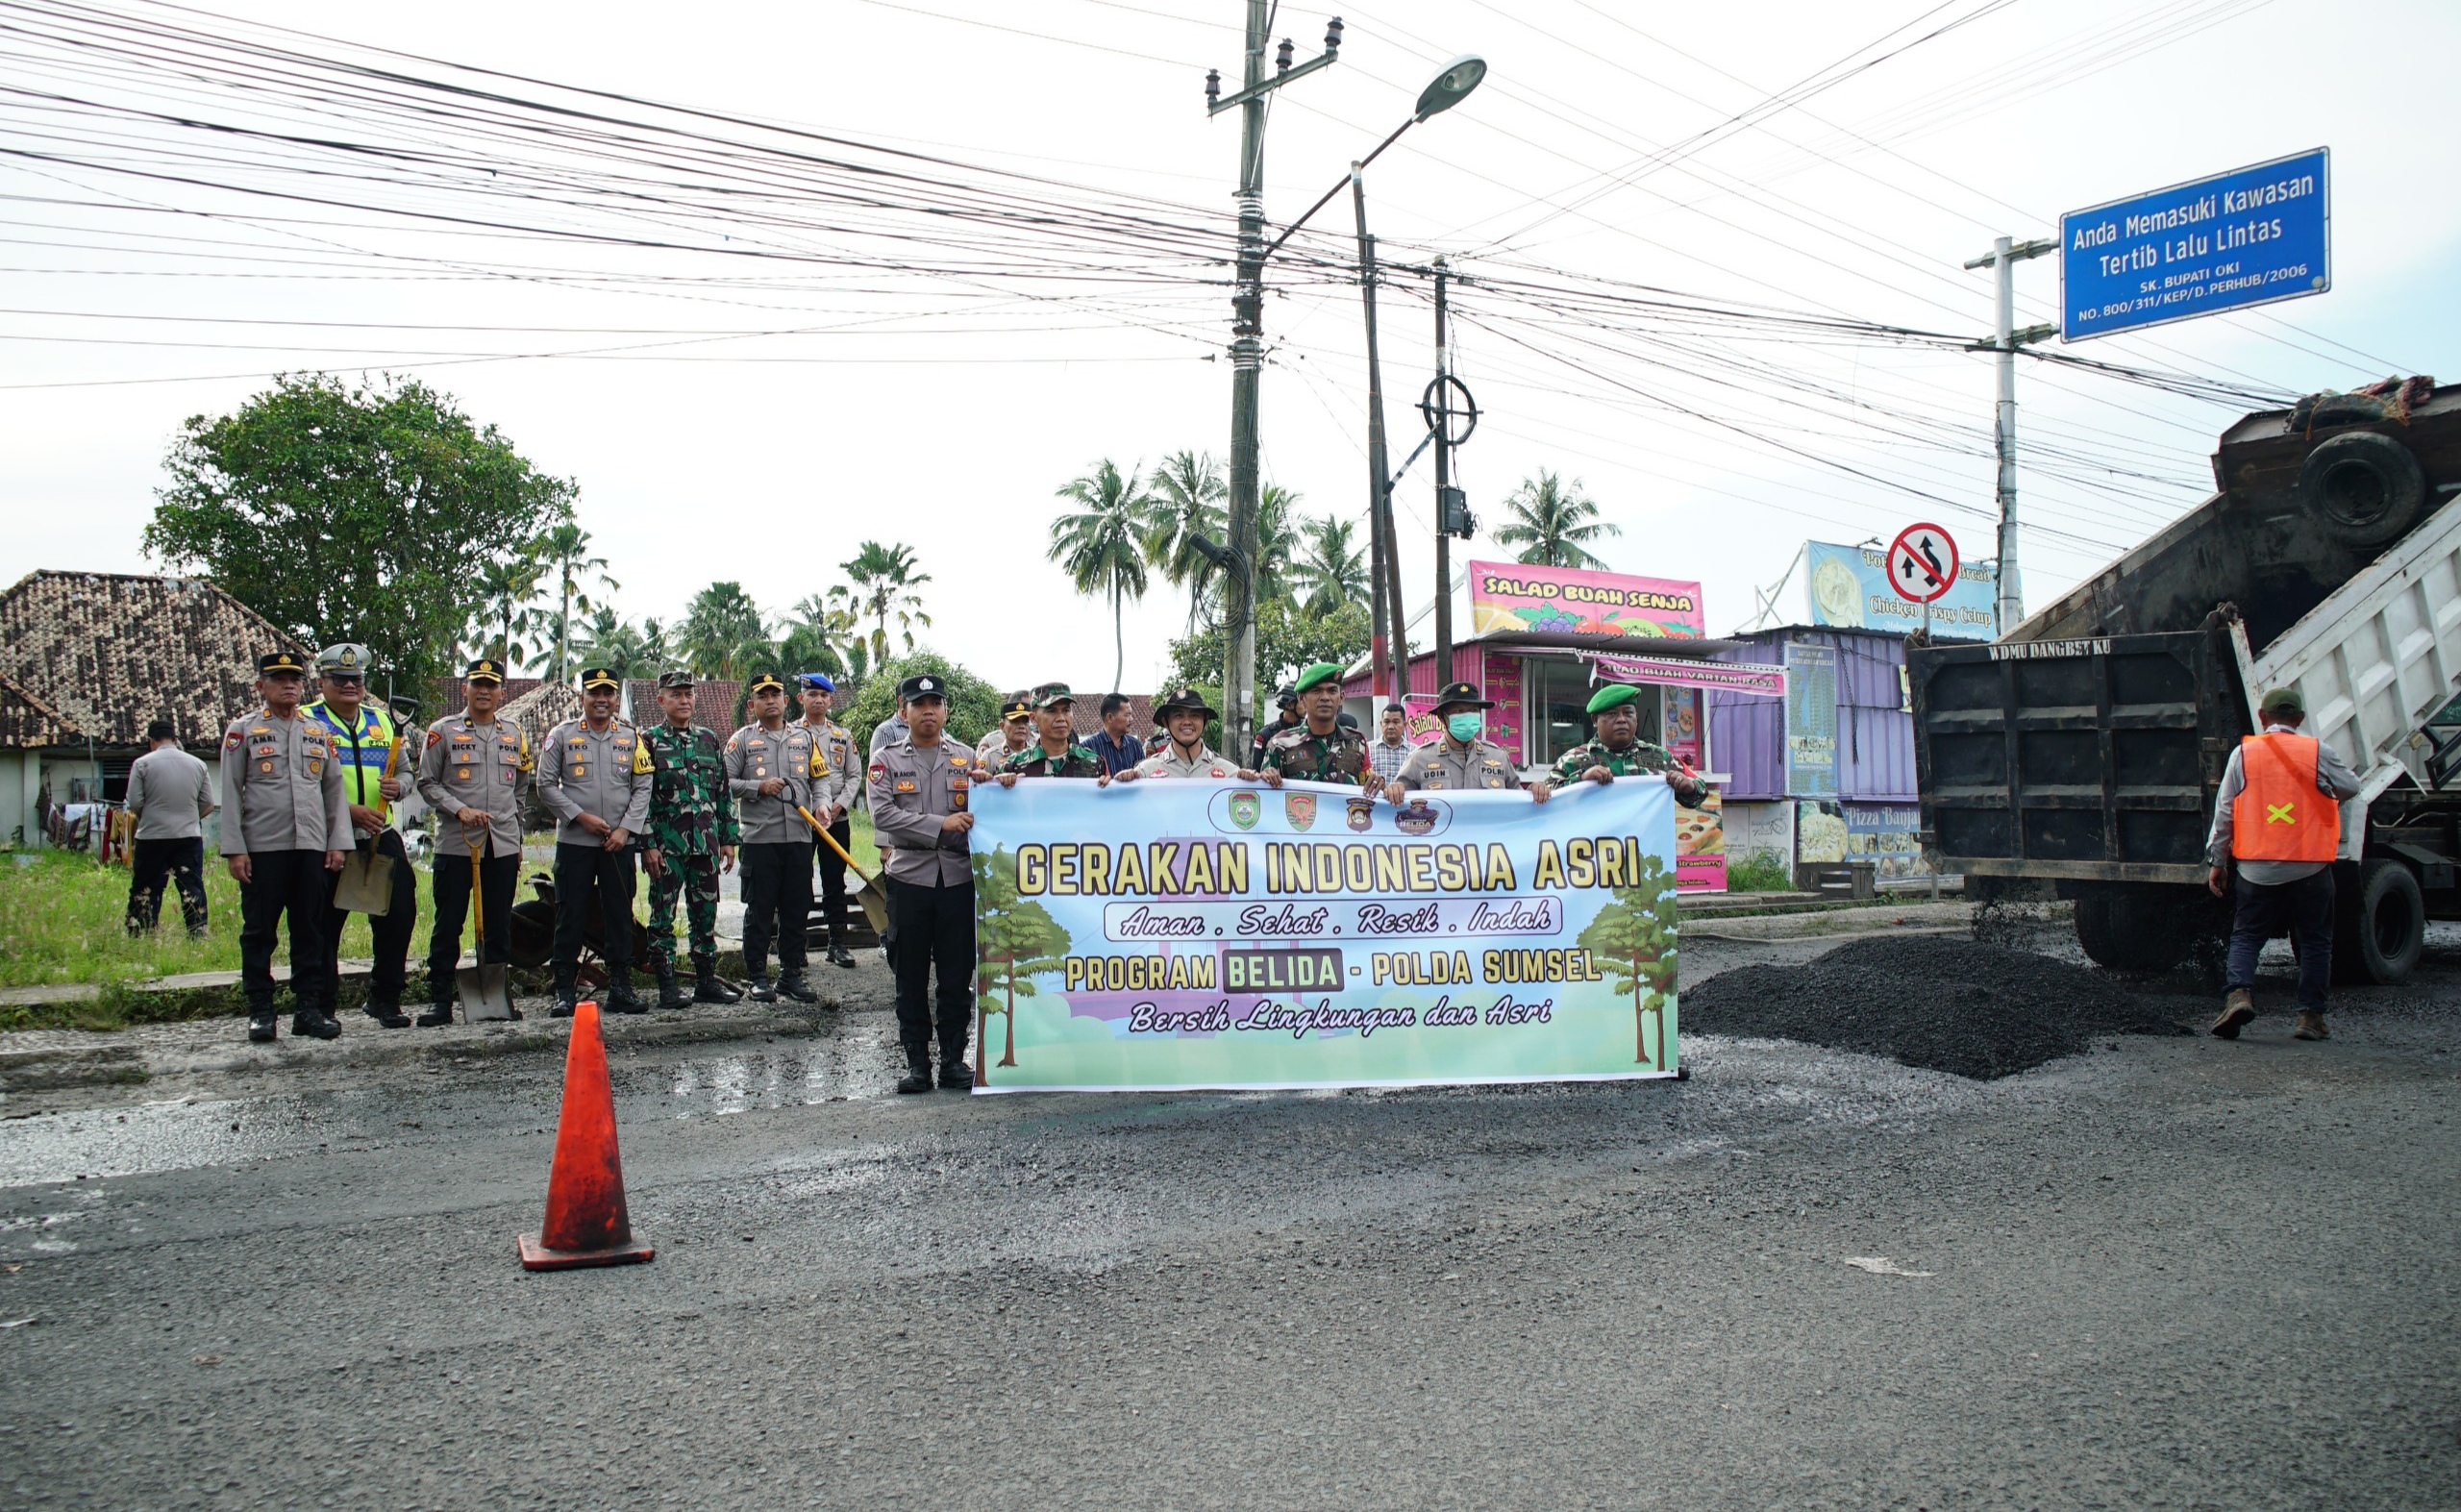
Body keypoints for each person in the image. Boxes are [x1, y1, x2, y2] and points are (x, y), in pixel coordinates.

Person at [2206, 686, 2364, 1043]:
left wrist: (2218, 861)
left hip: (2257, 868)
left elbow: (2225, 812)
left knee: (2246, 935)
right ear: (2300, 719)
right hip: (2310, 866)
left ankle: (2238, 995)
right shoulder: (2317, 752)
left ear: (2262, 718)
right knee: (2315, 941)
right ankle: (2310, 1017)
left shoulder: (2243, 755)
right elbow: (2351, 786)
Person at [217, 651, 350, 1043]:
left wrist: (337, 843)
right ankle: (261, 1010)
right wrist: (235, 849)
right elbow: (231, 791)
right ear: (261, 686)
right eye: (278, 678)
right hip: (263, 847)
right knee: (259, 931)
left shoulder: (317, 733)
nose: (289, 685)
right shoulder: (243, 731)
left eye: (294, 678)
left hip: (311, 845)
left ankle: (308, 1008)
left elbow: (333, 791)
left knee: (310, 928)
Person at [867, 673, 976, 1094]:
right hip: (909, 880)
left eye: (936, 703)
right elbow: (884, 817)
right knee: (909, 976)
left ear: (946, 710)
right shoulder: (886, 760)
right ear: (904, 711)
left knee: (955, 974)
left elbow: (990, 813)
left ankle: (952, 1060)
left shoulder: (969, 760)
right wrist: (940, 824)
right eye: (919, 704)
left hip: (958, 881)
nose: (928, 710)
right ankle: (917, 1064)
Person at [303, 643, 419, 1028]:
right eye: (340, 679)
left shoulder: (383, 722)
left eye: (356, 679)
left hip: (379, 833)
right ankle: (320, 1005)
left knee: (399, 913)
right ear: (323, 682)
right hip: (328, 837)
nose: (349, 686)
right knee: (323, 923)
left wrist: (399, 789)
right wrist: (346, 811)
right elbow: (299, 786)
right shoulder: (306, 722)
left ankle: (384, 998)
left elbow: (405, 772)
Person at [414, 657, 532, 1027]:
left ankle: (497, 997)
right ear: (465, 688)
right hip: (456, 844)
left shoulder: (514, 733)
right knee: (448, 923)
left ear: (502, 692)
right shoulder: (443, 731)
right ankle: (439, 1001)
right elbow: (427, 783)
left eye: (491, 685)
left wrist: (517, 831)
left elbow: (522, 786)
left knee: (499, 923)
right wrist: (458, 809)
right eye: (477, 684)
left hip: (501, 845)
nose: (484, 691)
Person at [537, 667, 653, 1016]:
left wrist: (625, 830)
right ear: (583, 696)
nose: (601, 700)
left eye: (608, 693)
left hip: (618, 844)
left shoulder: (632, 738)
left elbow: (643, 786)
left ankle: (620, 987)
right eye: (594, 693)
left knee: (619, 915)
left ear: (616, 698)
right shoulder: (562, 735)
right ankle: (564, 990)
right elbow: (545, 785)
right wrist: (580, 817)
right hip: (576, 843)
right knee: (570, 914)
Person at [640, 669, 740, 1008]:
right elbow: (642, 798)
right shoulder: (649, 742)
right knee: (662, 916)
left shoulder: (709, 740)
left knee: (705, 914)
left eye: (688, 694)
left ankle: (706, 981)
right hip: (668, 847)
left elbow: (723, 793)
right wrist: (649, 844)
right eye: (676, 694)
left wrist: (728, 839)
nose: (684, 700)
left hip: (706, 845)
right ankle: (667, 985)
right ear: (661, 700)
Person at [725, 672, 824, 1004]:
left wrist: (822, 805)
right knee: (760, 910)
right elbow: (723, 783)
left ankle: (790, 975)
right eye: (762, 696)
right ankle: (757, 976)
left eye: (775, 694)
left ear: (785, 700)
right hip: (759, 840)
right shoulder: (741, 741)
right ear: (752, 704)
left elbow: (819, 778)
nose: (770, 701)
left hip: (798, 836)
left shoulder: (805, 739)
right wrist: (757, 788)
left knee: (797, 908)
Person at [1537, 682, 1712, 806]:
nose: (1621, 720)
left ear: (1636, 717)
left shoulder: (1660, 757)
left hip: (1647, 853)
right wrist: (1581, 780)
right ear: (1595, 720)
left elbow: (1700, 789)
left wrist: (1688, 788)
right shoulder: (1573, 760)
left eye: (1628, 713)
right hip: (1595, 853)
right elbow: (1547, 796)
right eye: (1612, 714)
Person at [124, 718, 214, 939]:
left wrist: (151, 816)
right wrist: (190, 817)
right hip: (188, 836)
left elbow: (134, 802)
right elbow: (208, 803)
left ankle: (141, 932)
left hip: (151, 836)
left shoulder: (142, 764)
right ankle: (197, 932)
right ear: (175, 739)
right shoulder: (198, 764)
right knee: (191, 886)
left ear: (151, 741)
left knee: (146, 887)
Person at [1387, 682, 1549, 804]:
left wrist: (1533, 791)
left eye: (1473, 710)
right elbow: (1396, 801)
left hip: (1489, 846)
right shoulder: (1420, 759)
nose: (1468, 716)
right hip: (1441, 846)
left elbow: (1518, 799)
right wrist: (1393, 790)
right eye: (1459, 711)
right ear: (1442, 718)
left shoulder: (1498, 757)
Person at [798, 673, 862, 970]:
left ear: (831, 699)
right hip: (802, 820)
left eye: (824, 696)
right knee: (798, 882)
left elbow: (854, 776)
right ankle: (797, 945)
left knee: (834, 880)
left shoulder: (842, 735)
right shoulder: (792, 733)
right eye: (813, 695)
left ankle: (837, 943)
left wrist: (837, 807)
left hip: (837, 819)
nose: (818, 700)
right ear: (801, 698)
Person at [1252, 663, 1375, 789]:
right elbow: (1266, 795)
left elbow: (1368, 791)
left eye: (1332, 691)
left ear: (1341, 697)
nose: (1325, 698)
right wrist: (1263, 778)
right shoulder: (1280, 745)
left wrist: (1381, 787)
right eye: (1316, 691)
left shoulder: (1357, 742)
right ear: (1301, 698)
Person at [988, 682, 1108, 782]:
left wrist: (1118, 783)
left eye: (1066, 710)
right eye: (1051, 711)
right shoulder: (1013, 766)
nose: (1061, 718)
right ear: (1033, 718)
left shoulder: (1094, 763)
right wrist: (998, 785)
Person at [1114, 687, 1235, 780]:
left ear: (1205, 721)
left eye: (1195, 715)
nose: (1187, 722)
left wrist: (1250, 782)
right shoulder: (1145, 772)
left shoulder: (1230, 773)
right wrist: (1109, 786)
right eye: (1178, 715)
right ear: (1165, 722)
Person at [1086, 692, 1145, 777]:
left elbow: (1143, 776)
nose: (1131, 719)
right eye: (1127, 715)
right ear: (1110, 717)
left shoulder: (1135, 746)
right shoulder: (1088, 747)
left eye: (1131, 714)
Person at [1248, 683, 1301, 770]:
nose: (1306, 705)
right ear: (1289, 705)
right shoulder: (1265, 735)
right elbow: (1257, 770)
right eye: (1301, 701)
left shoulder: (1309, 732)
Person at [975, 692, 1033, 766]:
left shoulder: (1037, 754)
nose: (1022, 726)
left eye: (1025, 722)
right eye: (1015, 721)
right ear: (1002, 726)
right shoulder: (990, 757)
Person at [1366, 703, 1414, 785]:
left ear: (1405, 725)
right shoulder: (1367, 749)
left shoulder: (1414, 752)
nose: (1390, 726)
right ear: (1381, 724)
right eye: (1387, 722)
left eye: (1396, 722)